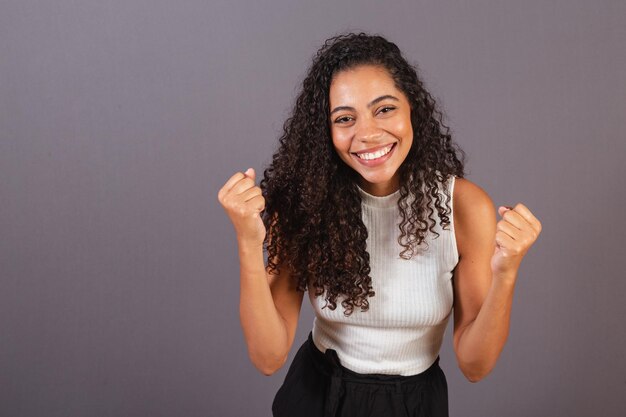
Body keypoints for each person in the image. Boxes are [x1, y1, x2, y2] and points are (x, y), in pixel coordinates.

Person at [217, 33, 542, 417]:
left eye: (384, 109)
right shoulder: (307, 203)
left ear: (412, 110)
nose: (367, 133)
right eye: (344, 118)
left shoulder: (463, 207)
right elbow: (268, 357)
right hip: (319, 396)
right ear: (327, 131)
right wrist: (248, 243)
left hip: (415, 403)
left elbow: (475, 366)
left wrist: (506, 273)